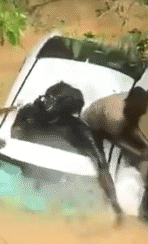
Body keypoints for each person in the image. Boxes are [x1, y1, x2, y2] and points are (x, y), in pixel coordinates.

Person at [15, 81, 124, 227]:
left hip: (56, 192)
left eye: (52, 99)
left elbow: (101, 167)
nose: (46, 101)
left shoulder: (79, 131)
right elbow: (14, 139)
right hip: (20, 180)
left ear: (65, 107)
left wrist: (114, 203)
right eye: (47, 96)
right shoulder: (29, 114)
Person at [81, 86, 148, 162]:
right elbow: (117, 141)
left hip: (108, 120)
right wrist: (139, 153)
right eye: (139, 113)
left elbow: (134, 125)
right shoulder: (115, 117)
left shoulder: (130, 98)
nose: (141, 115)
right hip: (88, 126)